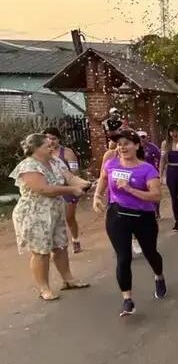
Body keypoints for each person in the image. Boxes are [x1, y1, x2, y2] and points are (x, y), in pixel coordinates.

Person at [93, 129, 166, 316]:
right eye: (119, 144)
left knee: (151, 253)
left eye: (126, 143)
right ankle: (127, 299)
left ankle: (159, 276)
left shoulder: (147, 169)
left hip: (143, 217)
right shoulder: (111, 164)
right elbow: (103, 178)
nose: (122, 147)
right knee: (123, 258)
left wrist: (130, 189)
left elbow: (156, 196)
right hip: (117, 215)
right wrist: (97, 196)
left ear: (136, 145)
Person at [9, 133, 91, 301]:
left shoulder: (56, 161)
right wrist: (71, 190)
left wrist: (84, 183)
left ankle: (68, 279)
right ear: (36, 148)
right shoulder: (28, 166)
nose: (52, 146)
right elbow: (43, 189)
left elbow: (70, 178)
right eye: (47, 145)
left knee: (60, 246)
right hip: (33, 214)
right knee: (41, 251)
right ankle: (44, 288)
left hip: (54, 211)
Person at [42, 127, 83, 253]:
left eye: (54, 138)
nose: (51, 141)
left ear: (59, 139)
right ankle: (56, 245)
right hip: (52, 191)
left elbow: (74, 172)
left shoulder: (67, 152)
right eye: (48, 138)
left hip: (67, 189)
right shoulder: (42, 153)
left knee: (69, 217)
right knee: (52, 219)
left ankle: (75, 239)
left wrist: (67, 184)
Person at [137, 130, 162, 219]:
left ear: (147, 137)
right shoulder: (136, 148)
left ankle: (156, 211)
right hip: (139, 174)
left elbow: (160, 158)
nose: (142, 139)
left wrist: (158, 169)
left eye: (143, 137)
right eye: (140, 137)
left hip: (151, 174)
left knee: (154, 192)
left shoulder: (152, 147)